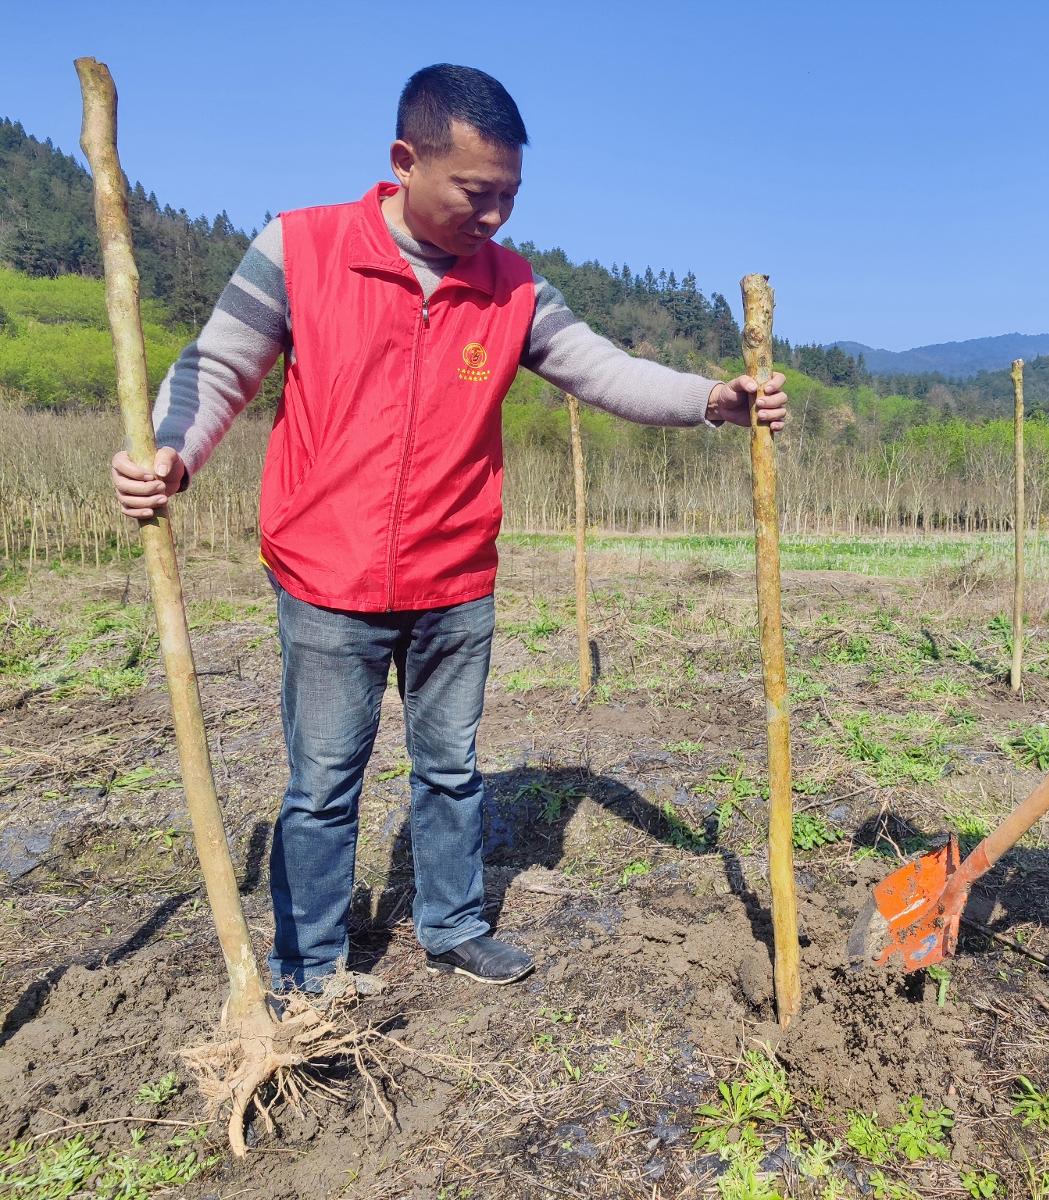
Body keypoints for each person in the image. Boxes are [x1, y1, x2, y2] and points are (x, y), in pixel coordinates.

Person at [110, 64, 788, 993]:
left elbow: (602, 369)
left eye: (510, 195)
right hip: (326, 576)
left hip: (455, 576)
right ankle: (308, 965)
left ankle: (454, 920)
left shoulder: (511, 286)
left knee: (452, 770)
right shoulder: (300, 248)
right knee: (321, 788)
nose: (496, 216)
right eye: (478, 192)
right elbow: (219, 365)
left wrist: (712, 399)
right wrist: (168, 453)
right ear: (405, 160)